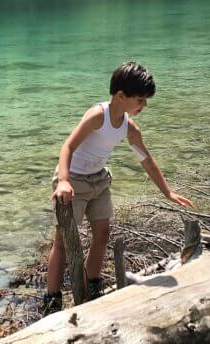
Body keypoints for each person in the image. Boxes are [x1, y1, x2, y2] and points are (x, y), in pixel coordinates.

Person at [41, 61, 194, 315]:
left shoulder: (129, 127)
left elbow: (146, 159)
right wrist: (64, 181)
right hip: (74, 180)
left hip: (99, 180)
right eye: (140, 100)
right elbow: (67, 147)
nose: (143, 106)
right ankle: (52, 298)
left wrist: (167, 191)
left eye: (145, 101)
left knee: (102, 232)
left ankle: (91, 286)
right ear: (121, 96)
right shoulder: (97, 116)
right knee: (64, 241)